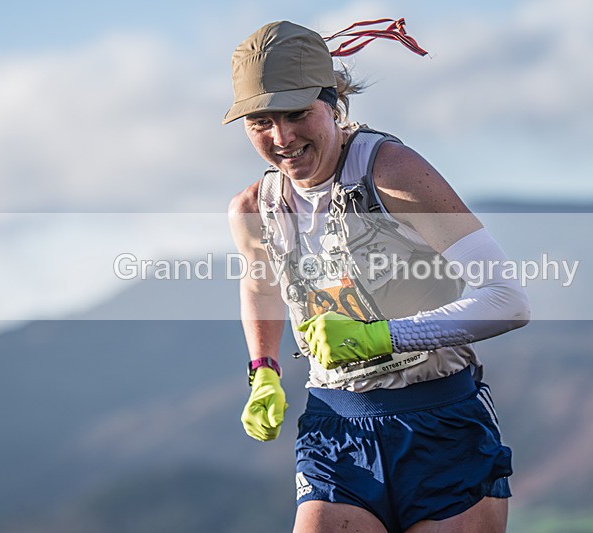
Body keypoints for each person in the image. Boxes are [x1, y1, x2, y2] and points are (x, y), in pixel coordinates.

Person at [225, 19, 530, 533]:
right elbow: (261, 284)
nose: (282, 137)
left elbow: (509, 299)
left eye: (297, 114)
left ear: (333, 103)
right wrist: (264, 371)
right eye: (261, 122)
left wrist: (382, 336)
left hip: (441, 421)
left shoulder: (391, 171)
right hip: (335, 425)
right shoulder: (255, 208)